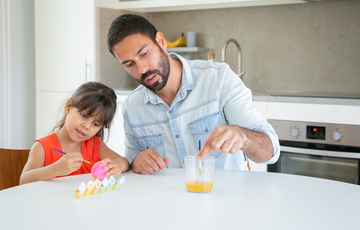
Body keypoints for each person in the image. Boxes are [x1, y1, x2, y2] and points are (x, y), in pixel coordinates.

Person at [107, 14, 280, 175]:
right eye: (129, 64)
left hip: (226, 203)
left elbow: (271, 152)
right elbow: (131, 164)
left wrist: (243, 137)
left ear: (161, 41)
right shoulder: (132, 107)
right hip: (168, 204)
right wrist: (136, 163)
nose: (142, 69)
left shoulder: (218, 80)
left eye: (144, 54)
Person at [20, 82, 130, 184]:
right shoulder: (42, 147)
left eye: (95, 124)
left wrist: (117, 165)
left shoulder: (96, 145)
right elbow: (24, 181)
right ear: (68, 107)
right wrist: (55, 169)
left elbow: (124, 162)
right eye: (83, 115)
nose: (86, 126)